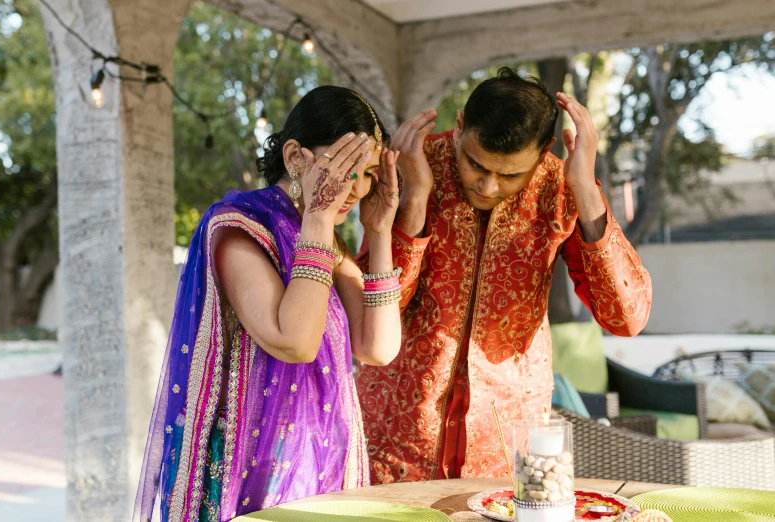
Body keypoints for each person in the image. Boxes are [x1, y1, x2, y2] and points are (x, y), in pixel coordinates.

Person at [356, 68, 652, 483]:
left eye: (510, 174)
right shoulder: (410, 167)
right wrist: (415, 199)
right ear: (459, 126)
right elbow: (375, 312)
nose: (489, 185)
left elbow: (627, 317)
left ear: (544, 149)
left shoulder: (560, 186)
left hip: (504, 435)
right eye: (475, 163)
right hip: (397, 429)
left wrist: (584, 187)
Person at [134, 86, 403, 522]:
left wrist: (379, 231)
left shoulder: (329, 244)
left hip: (320, 465)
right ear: (295, 157)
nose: (358, 186)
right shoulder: (238, 227)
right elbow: (295, 342)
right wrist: (317, 217)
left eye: (368, 171)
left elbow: (379, 347)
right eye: (346, 167)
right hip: (250, 477)